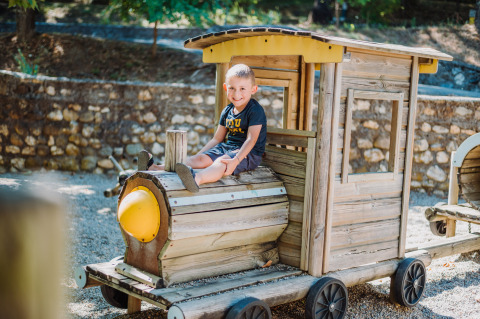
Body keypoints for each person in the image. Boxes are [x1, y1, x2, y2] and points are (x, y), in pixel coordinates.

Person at [146, 63, 267, 193]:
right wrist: (199, 156)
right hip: (227, 148)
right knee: (198, 159)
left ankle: (197, 179)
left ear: (253, 89)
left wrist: (235, 161)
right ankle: (157, 168)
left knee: (222, 162)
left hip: (248, 154)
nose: (237, 93)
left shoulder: (255, 110)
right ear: (226, 88)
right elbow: (216, 139)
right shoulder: (227, 111)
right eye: (232, 88)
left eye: (242, 88)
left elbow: (251, 139)